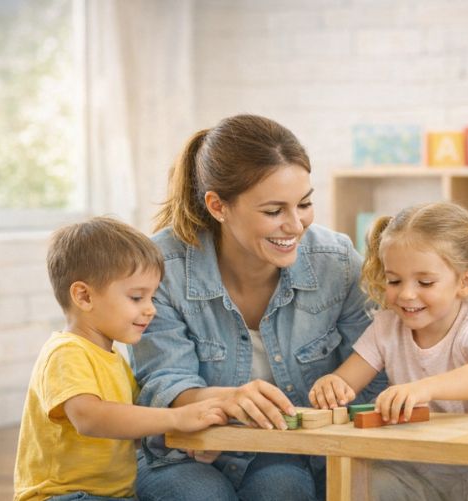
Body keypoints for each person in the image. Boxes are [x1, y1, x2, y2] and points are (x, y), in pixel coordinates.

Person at [131, 114, 386, 501]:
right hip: (187, 452)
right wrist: (221, 399)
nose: (296, 224)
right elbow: (164, 382)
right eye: (273, 211)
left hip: (288, 452)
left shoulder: (335, 261)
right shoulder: (162, 267)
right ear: (218, 205)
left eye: (304, 203)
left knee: (284, 489)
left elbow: (376, 370)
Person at [309, 201, 468, 500]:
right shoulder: (387, 327)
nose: (407, 294)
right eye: (394, 280)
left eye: (425, 282)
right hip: (417, 469)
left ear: (465, 281)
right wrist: (331, 385)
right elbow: (347, 380)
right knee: (364, 485)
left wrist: (425, 389)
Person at [14, 217, 227, 501]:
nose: (151, 309)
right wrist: (176, 417)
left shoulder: (113, 359)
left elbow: (135, 430)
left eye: (152, 297)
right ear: (84, 296)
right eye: (137, 297)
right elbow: (90, 418)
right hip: (63, 496)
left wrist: (189, 441)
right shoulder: (65, 352)